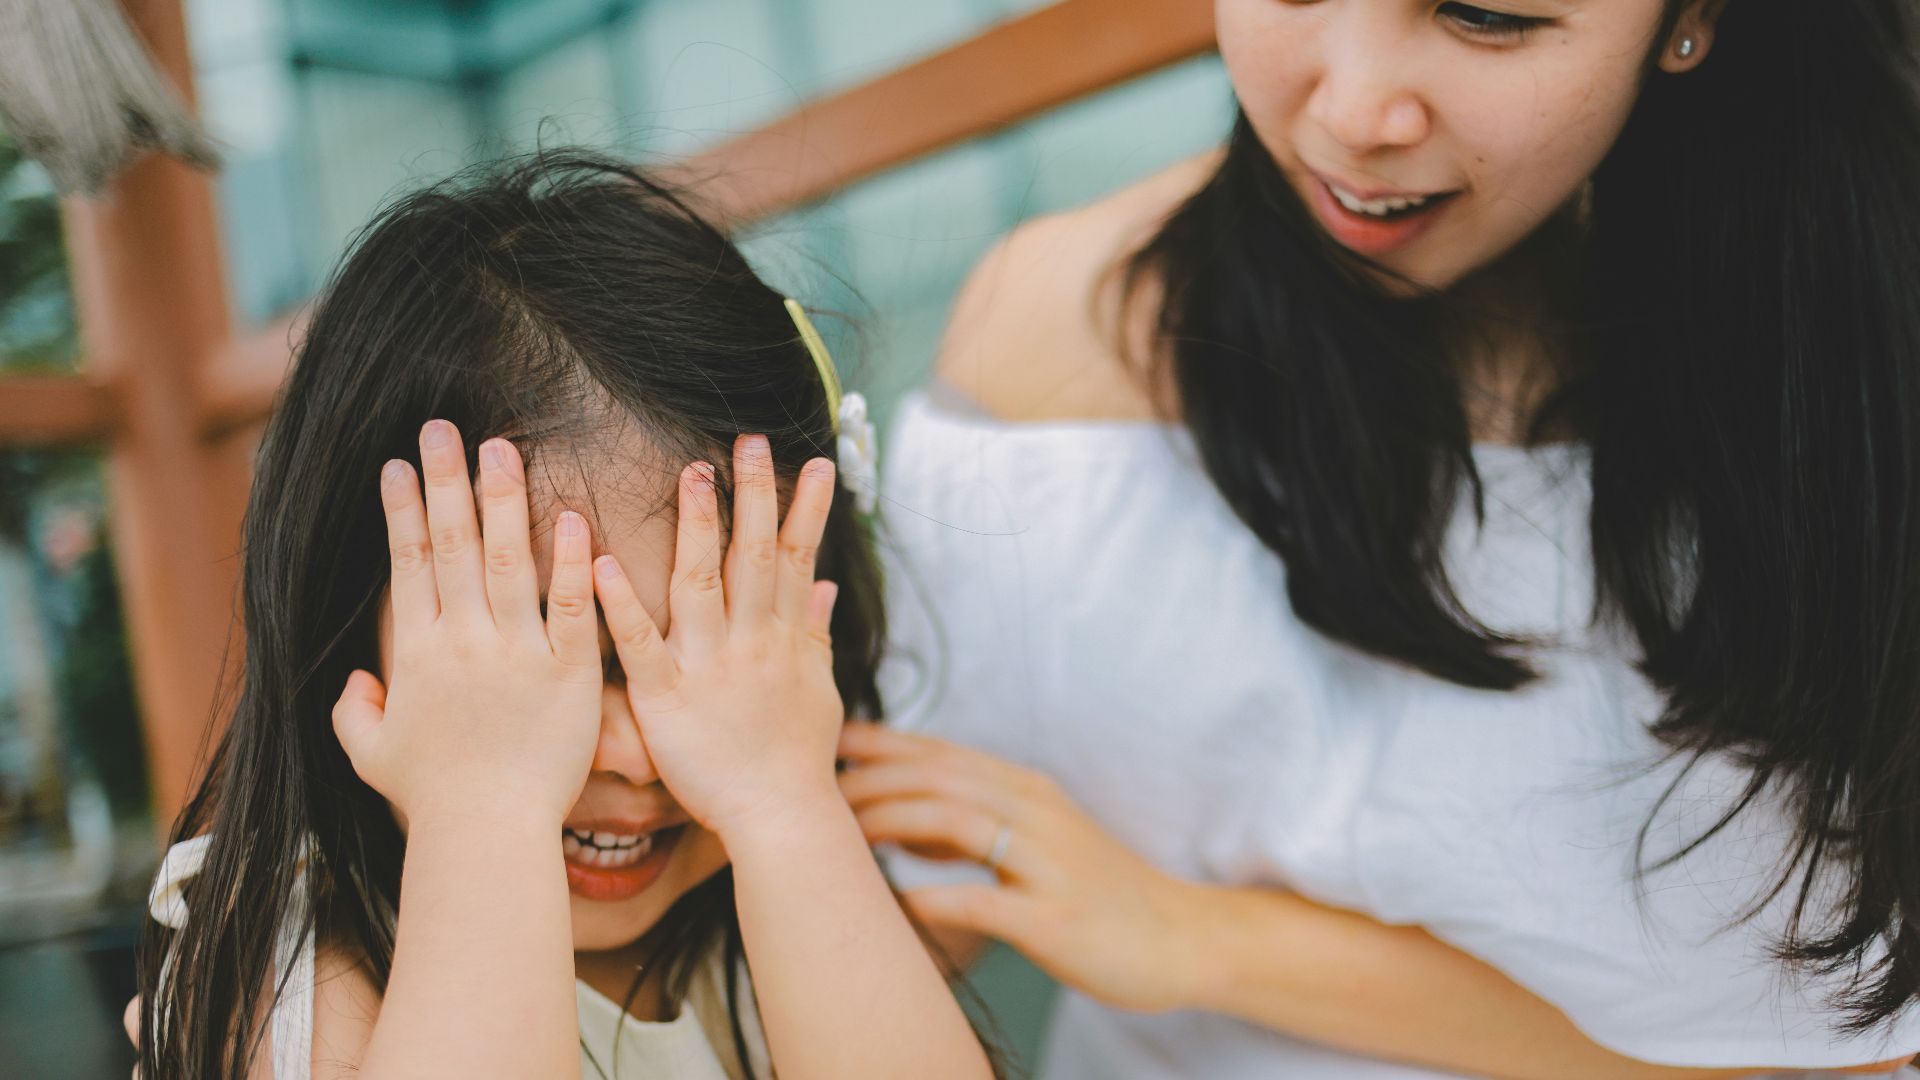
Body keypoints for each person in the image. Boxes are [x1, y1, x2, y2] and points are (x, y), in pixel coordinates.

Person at [843, 0, 1920, 1077]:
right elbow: (928, 879)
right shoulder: (1063, 336)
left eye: (1486, 16)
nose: (1355, 114)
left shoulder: (1861, 401)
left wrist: (1208, 942)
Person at [130, 152, 996, 1080]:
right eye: (544, 650)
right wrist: (484, 804)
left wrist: (785, 807)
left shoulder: (774, 914)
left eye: (702, 652)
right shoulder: (297, 980)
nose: (628, 750)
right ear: (343, 617)